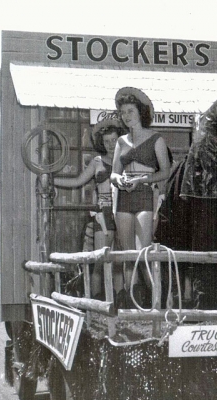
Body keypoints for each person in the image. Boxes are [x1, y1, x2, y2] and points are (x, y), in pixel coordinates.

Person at [110, 87, 171, 306]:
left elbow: (166, 171)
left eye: (130, 111)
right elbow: (114, 172)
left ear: (140, 112)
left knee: (143, 251)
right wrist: (118, 180)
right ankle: (131, 300)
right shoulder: (120, 142)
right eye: (123, 113)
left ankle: (156, 303)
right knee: (127, 253)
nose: (126, 116)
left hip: (145, 194)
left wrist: (142, 180)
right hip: (124, 197)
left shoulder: (156, 139)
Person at [55, 118, 125, 300]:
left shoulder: (126, 160)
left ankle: (118, 301)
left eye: (114, 141)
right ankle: (95, 301)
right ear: (101, 142)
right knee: (99, 262)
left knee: (119, 262)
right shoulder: (97, 161)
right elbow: (78, 181)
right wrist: (51, 180)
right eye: (107, 141)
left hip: (124, 211)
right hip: (103, 214)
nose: (110, 145)